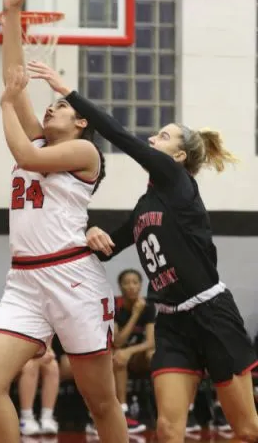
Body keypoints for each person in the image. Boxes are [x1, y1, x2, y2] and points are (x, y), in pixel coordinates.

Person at [28, 60, 258, 443]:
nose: (153, 138)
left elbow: (122, 137)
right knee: (167, 430)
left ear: (180, 156)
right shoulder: (145, 205)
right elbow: (105, 250)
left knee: (248, 430)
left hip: (211, 314)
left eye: (163, 136)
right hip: (171, 322)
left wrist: (68, 91)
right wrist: (90, 233)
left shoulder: (177, 181)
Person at [0, 0, 128, 443]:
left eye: (59, 107)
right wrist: (12, 14)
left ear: (81, 122)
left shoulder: (85, 154)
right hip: (24, 279)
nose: (49, 110)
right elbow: (15, 83)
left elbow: (27, 157)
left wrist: (4, 107)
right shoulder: (40, 135)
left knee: (99, 400)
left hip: (73, 278)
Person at [113, 269, 155, 433]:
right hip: (116, 356)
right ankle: (123, 410)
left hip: (135, 356)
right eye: (126, 283)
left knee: (153, 355)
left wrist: (130, 351)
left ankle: (159, 408)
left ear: (140, 286)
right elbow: (118, 341)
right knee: (119, 357)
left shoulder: (148, 306)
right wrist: (135, 315)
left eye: (135, 282)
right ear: (120, 286)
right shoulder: (115, 305)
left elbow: (151, 342)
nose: (131, 286)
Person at [18, 347, 59, 435]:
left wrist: (48, 351)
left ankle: (47, 417)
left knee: (52, 365)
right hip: (18, 354)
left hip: (38, 351)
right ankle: (26, 418)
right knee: (30, 365)